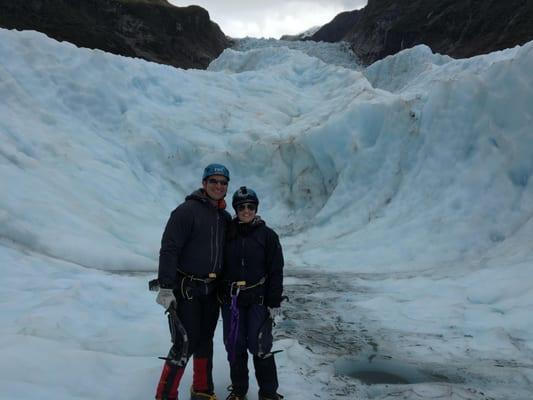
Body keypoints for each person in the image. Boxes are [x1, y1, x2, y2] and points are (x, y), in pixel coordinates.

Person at [155, 163, 232, 400]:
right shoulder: (186, 211)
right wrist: (166, 287)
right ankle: (165, 395)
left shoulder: (224, 217)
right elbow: (169, 249)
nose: (218, 186)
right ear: (204, 183)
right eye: (213, 181)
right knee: (184, 343)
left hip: (211, 291)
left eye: (223, 182)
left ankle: (201, 390)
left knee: (205, 341)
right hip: (186, 289)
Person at [220, 186, 284, 400]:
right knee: (235, 345)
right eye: (241, 207)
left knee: (260, 345)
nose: (246, 211)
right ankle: (239, 391)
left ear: (256, 208)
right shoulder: (227, 233)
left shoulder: (268, 236)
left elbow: (276, 270)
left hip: (258, 299)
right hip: (233, 300)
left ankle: (268, 393)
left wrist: (274, 301)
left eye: (250, 206)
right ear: (236, 209)